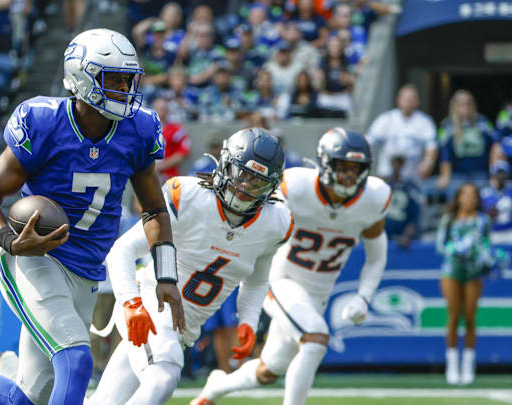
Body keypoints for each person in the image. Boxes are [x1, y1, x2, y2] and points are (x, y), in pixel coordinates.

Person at [0, 28, 184, 405]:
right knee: (76, 360)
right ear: (82, 78)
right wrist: (11, 242)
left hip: (86, 271)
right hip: (36, 260)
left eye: (129, 79)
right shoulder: (44, 122)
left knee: (25, 400)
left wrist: (166, 275)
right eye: (115, 80)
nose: (126, 89)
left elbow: (155, 209)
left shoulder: (139, 130)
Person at [87, 128, 294, 405]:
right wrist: (131, 302)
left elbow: (256, 280)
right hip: (152, 307)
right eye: (241, 175)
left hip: (183, 328)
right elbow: (122, 249)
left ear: (271, 187)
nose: (244, 187)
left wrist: (247, 319)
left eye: (256, 182)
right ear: (224, 165)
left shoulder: (275, 222)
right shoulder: (186, 196)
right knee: (164, 375)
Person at [192, 128, 390, 405]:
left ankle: (215, 388)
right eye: (341, 166)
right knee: (315, 338)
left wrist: (363, 296)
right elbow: (258, 223)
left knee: (269, 370)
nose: (348, 175)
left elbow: (377, 255)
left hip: (317, 294)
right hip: (281, 280)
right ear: (324, 162)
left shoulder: (374, 197)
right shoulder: (295, 186)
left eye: (355, 168)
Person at [436, 183, 507, 385]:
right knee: (452, 315)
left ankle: (468, 363)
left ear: (477, 199)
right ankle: (452, 363)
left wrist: (488, 260)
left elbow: (486, 244)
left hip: (473, 274)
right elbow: (440, 245)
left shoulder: (483, 221)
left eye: (472, 195)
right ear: (458, 197)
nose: (468, 199)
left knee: (469, 316)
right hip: (452, 271)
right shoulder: (449, 219)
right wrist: (455, 249)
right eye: (465, 195)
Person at [366, 84, 437, 182]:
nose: (408, 102)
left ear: (417, 102)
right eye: (405, 99)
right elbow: (368, 142)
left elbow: (432, 147)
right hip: (386, 175)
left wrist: (427, 163)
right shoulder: (386, 119)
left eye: (412, 99)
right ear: (398, 100)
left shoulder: (425, 121)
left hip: (412, 178)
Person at [437, 89, 496, 193]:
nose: (465, 106)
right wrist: (445, 175)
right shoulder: (446, 125)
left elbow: (494, 147)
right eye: (461, 103)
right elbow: (444, 153)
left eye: (468, 103)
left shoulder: (484, 122)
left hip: (481, 175)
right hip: (457, 176)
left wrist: (494, 174)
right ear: (454, 105)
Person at [480, 161, 512, 244]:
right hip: (494, 231)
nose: (501, 176)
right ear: (493, 174)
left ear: (508, 175)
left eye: (503, 173)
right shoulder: (485, 193)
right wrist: (489, 212)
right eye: (499, 173)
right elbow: (483, 213)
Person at [384, 154, 421, 248]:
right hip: (382, 237)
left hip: (401, 238)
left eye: (399, 162)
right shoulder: (383, 186)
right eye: (395, 162)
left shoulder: (410, 188)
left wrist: (406, 236)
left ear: (403, 164)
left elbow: (414, 216)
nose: (397, 165)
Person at [152, 97, 190, 181]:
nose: (161, 111)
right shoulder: (145, 129)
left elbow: (182, 153)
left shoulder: (176, 130)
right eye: (159, 108)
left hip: (168, 176)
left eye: (164, 108)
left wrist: (161, 166)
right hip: (147, 176)